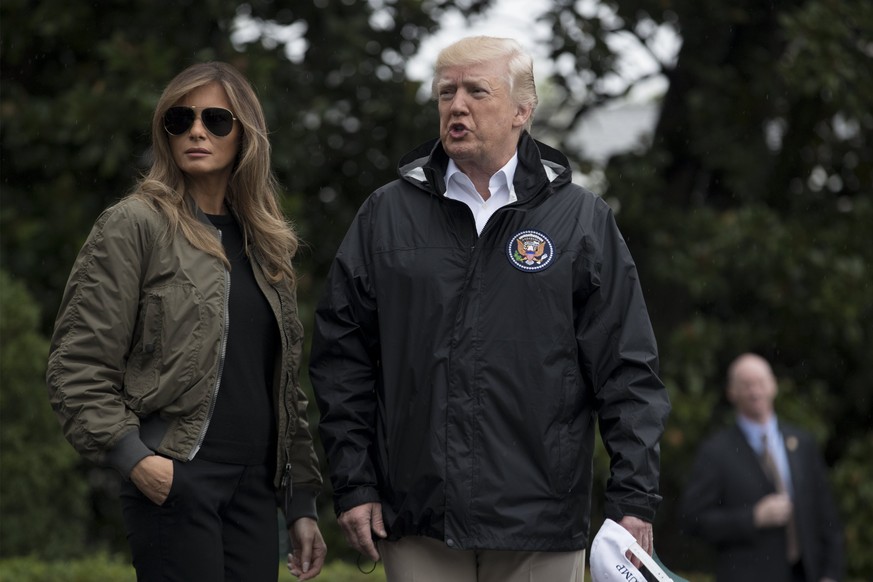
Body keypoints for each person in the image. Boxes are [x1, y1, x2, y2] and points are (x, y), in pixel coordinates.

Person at [309, 35, 671, 582]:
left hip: (541, 524)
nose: (457, 106)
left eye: (477, 91)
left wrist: (635, 499)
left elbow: (628, 371)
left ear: (522, 110)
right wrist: (355, 484)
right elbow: (342, 361)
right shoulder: (386, 216)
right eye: (445, 92)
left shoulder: (581, 220)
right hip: (419, 519)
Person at [46, 62, 326, 581]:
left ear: (246, 135)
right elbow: (77, 366)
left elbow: (285, 389)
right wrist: (135, 458)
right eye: (180, 119)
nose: (197, 130)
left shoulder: (266, 245)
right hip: (175, 477)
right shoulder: (134, 224)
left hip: (254, 490)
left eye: (217, 120)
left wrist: (301, 500)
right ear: (165, 132)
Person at [680, 353, 844, 582]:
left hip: (807, 574)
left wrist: (831, 574)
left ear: (773, 385)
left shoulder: (802, 443)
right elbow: (693, 520)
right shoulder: (716, 452)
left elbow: (826, 515)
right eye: (746, 385)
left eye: (760, 382)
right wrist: (752, 518)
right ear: (731, 392)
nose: (755, 391)